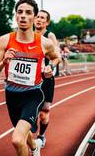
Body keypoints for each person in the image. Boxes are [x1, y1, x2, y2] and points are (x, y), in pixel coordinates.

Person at [0, 0, 61, 156]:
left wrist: (51, 67)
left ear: (34, 18)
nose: (23, 16)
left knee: (17, 139)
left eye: (28, 13)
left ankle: (33, 148)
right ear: (15, 16)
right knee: (23, 132)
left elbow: (57, 57)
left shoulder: (44, 43)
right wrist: (3, 61)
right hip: (12, 95)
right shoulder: (5, 40)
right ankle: (35, 148)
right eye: (19, 12)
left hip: (33, 94)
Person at [34, 9, 61, 148]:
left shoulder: (50, 36)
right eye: (37, 17)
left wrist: (50, 66)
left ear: (47, 22)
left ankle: (41, 135)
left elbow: (58, 57)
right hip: (31, 80)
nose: (39, 19)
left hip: (46, 80)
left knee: (44, 113)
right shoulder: (28, 35)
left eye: (42, 18)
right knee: (31, 112)